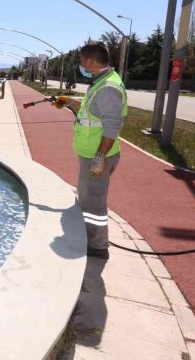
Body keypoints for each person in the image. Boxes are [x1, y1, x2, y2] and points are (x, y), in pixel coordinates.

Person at [71, 42, 127, 259]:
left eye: (82, 62)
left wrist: (99, 157)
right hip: (90, 153)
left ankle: (97, 246)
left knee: (93, 202)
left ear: (91, 62)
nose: (80, 66)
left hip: (97, 156)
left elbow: (112, 125)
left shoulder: (107, 88)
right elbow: (92, 115)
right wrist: (70, 103)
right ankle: (93, 238)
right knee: (88, 196)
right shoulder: (100, 83)